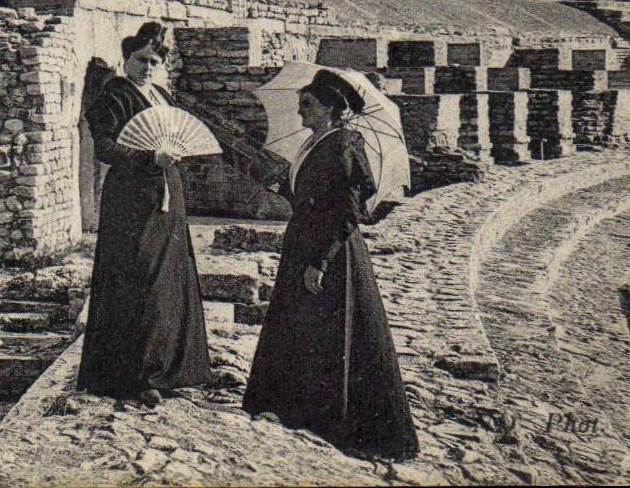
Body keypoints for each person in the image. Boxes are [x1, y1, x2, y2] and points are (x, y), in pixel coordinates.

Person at [243, 72, 419, 459]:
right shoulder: (315, 140)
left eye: (308, 104)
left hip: (331, 252)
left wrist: (320, 262)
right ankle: (298, 410)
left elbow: (346, 211)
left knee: (334, 334)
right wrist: (275, 184)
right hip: (304, 244)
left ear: (332, 109)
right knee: (303, 328)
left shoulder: (345, 143)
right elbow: (308, 196)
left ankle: (335, 421)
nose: (300, 111)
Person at [77, 22, 211, 406]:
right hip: (131, 200)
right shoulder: (113, 97)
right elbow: (103, 147)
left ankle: (172, 366)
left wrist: (169, 157)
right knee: (137, 275)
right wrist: (148, 157)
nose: (147, 67)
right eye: (140, 60)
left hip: (166, 195)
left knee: (169, 275)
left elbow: (174, 134)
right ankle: (134, 375)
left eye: (154, 61)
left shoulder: (161, 96)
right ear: (126, 61)